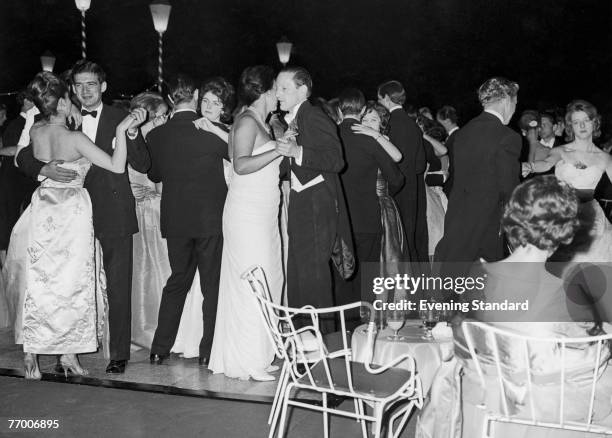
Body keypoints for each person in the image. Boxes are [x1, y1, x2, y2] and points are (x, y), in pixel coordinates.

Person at [417, 176, 612, 438]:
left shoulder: (477, 274)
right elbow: (587, 362)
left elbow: (470, 334)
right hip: (539, 408)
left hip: (482, 396)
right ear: (564, 233)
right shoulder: (564, 295)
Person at [16, 60, 151, 375]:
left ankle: (117, 353)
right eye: (78, 85)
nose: (85, 90)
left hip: (110, 209)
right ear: (70, 89)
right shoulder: (51, 116)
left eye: (91, 84)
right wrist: (42, 168)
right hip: (65, 215)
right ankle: (65, 351)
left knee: (117, 285)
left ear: (103, 86)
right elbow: (22, 156)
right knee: (64, 283)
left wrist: (131, 134)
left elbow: (144, 165)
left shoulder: (122, 116)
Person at [208, 65, 283, 381]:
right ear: (266, 91)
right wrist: (278, 149)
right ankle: (248, 360)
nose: (281, 94)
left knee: (269, 280)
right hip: (247, 215)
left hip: (263, 214)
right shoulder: (247, 122)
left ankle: (261, 354)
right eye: (278, 88)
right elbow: (240, 165)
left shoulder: (260, 122)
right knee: (253, 283)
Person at [148, 74, 227, 367]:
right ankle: (207, 351)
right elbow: (236, 157)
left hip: (176, 219)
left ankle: (159, 348)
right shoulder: (212, 130)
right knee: (211, 287)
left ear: (169, 99)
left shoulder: (157, 135)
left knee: (177, 282)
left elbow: (155, 175)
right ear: (195, 94)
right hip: (209, 219)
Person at [275, 66, 352, 332]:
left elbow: (336, 160)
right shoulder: (294, 120)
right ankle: (302, 339)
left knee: (314, 278)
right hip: (300, 203)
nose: (277, 93)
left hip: (317, 205)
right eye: (277, 87)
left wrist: (297, 151)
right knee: (298, 275)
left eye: (284, 88)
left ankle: (322, 342)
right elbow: (292, 165)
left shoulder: (315, 115)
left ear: (302, 91)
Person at [435, 77, 521, 274]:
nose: (515, 109)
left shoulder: (463, 133)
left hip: (458, 217)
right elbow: (509, 189)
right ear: (506, 100)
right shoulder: (508, 136)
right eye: (515, 103)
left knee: (455, 280)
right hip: (488, 223)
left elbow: (475, 170)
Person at [336, 89, 404, 327]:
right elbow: (397, 179)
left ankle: (343, 328)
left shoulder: (333, 135)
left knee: (342, 275)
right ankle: (364, 328)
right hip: (367, 216)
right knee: (367, 275)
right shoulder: (367, 140)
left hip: (337, 217)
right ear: (362, 112)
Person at [525, 100, 612, 263]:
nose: (582, 126)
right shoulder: (560, 151)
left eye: (586, 120)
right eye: (576, 122)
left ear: (594, 122)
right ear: (570, 126)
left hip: (590, 218)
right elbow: (545, 164)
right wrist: (530, 166)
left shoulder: (605, 158)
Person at [126, 91, 169, 349]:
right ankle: (139, 329)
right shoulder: (129, 138)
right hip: (136, 211)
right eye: (161, 116)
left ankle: (160, 328)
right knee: (140, 271)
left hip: (157, 208)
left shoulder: (158, 141)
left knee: (160, 269)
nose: (165, 120)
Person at [377, 80, 428, 264]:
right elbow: (420, 164)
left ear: (387, 98)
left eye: (379, 98)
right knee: (411, 237)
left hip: (395, 189)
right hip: (413, 189)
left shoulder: (390, 124)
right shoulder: (413, 124)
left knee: (398, 241)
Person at [0, 91, 38, 260]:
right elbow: (16, 150)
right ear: (27, 101)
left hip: (16, 179)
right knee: (11, 220)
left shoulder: (18, 123)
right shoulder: (20, 124)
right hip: (14, 179)